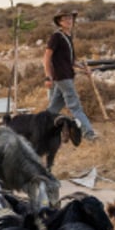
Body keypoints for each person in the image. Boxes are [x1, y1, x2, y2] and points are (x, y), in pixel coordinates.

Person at [43, 10, 99, 140]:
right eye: (65, 19)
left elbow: (70, 60)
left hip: (66, 76)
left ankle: (41, 128)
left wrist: (83, 68)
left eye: (70, 18)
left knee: (53, 108)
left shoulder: (68, 36)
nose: (69, 21)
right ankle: (89, 134)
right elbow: (46, 58)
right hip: (62, 77)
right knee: (75, 106)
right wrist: (48, 76)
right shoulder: (56, 37)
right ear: (59, 22)